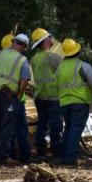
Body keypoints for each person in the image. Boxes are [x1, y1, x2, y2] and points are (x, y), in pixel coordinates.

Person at [55, 38, 92, 165]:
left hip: (64, 104)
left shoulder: (59, 68)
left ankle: (64, 156)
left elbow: (57, 85)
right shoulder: (83, 66)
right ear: (77, 51)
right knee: (75, 129)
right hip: (80, 103)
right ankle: (72, 157)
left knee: (69, 129)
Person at [0, 33, 31, 163]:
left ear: (13, 42)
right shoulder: (22, 59)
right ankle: (3, 156)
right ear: (24, 46)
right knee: (7, 126)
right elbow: (25, 80)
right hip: (7, 95)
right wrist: (19, 93)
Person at [30, 28, 63, 159]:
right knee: (55, 126)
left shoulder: (34, 59)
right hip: (53, 97)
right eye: (49, 37)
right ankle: (56, 153)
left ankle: (41, 151)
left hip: (40, 96)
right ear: (45, 41)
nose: (51, 39)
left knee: (42, 125)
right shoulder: (53, 58)